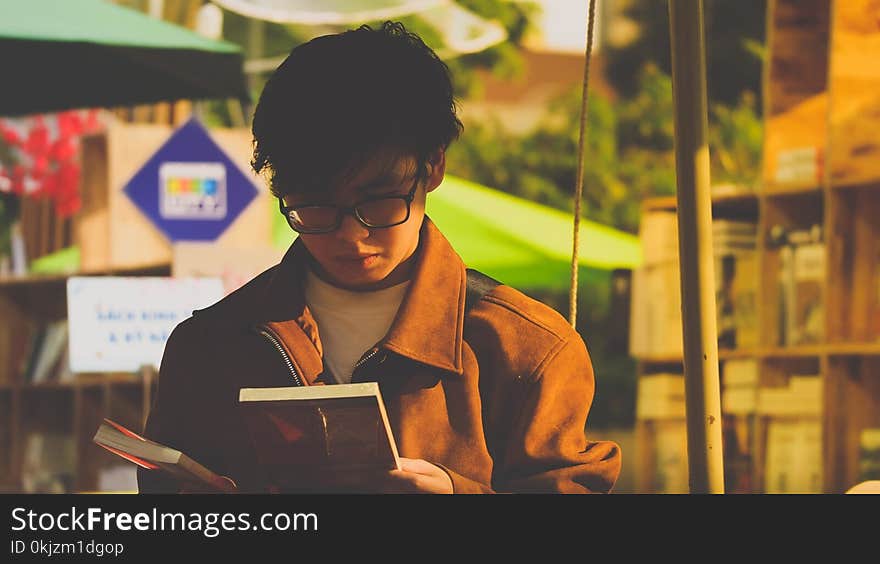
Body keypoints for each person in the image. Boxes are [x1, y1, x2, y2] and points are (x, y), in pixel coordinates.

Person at [138, 21, 621, 494]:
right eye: (315, 206)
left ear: (433, 167)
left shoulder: (525, 349)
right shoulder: (207, 346)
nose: (352, 235)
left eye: (379, 201)